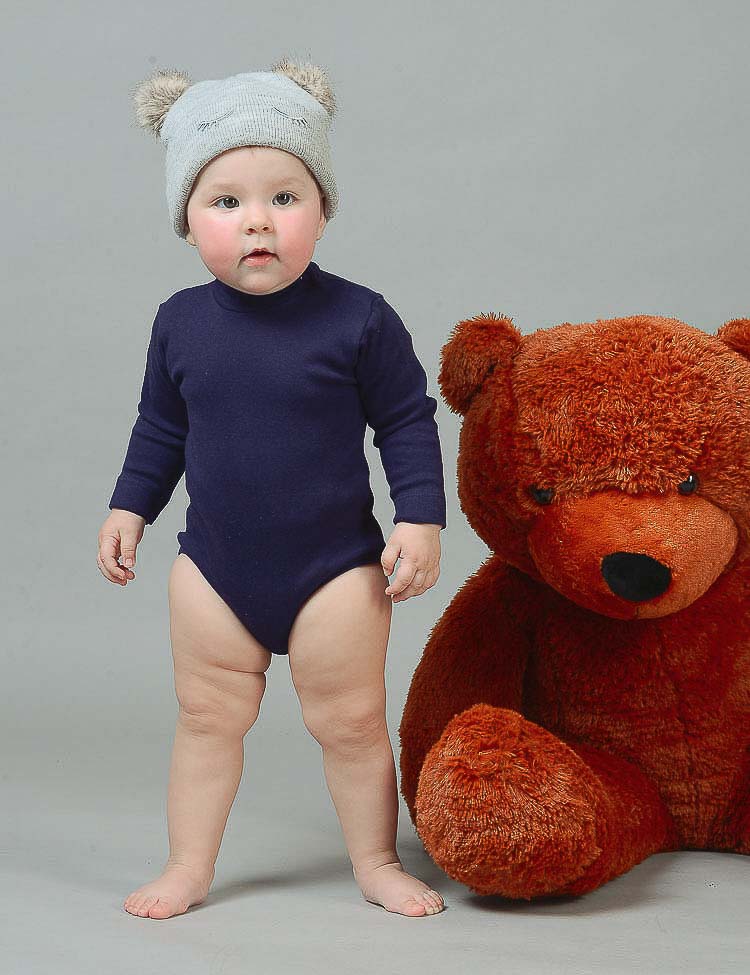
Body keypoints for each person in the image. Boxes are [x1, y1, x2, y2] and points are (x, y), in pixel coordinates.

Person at [97, 58, 447, 920]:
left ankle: (375, 859)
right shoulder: (179, 322)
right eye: (226, 202)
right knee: (207, 718)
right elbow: (161, 428)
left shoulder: (360, 318)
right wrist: (130, 505)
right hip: (214, 569)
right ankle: (188, 865)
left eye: (284, 197)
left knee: (352, 722)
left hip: (335, 570)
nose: (257, 219)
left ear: (322, 210)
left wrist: (421, 517)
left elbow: (405, 421)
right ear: (187, 223)